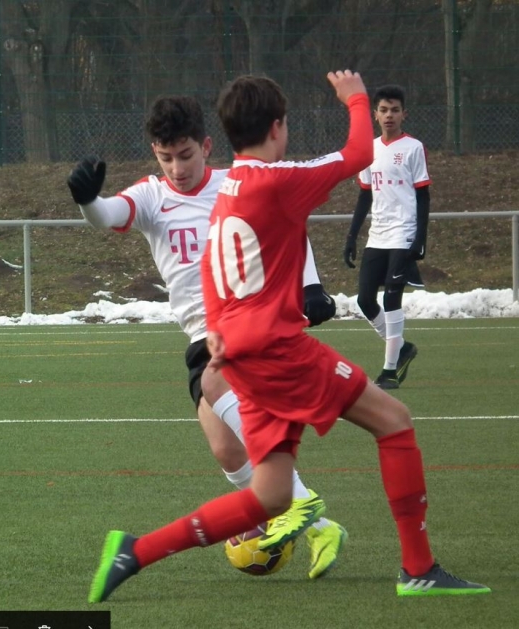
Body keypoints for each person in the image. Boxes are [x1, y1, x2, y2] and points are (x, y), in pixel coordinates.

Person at [88, 71, 489, 602]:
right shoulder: (277, 180)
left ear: (219, 139)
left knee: (271, 495)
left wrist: (221, 330)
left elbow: (208, 268)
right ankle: (417, 568)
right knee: (394, 422)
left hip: (240, 356)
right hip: (278, 351)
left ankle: (136, 551)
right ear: (278, 127)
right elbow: (359, 152)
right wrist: (356, 98)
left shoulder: (227, 189)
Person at [67, 95, 345, 581]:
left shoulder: (237, 183)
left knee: (217, 385)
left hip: (247, 321)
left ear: (207, 146)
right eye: (166, 157)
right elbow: (109, 213)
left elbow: (290, 228)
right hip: (202, 331)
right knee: (226, 449)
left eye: (186, 155)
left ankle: (303, 509)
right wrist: (88, 200)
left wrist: (311, 285)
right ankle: (320, 526)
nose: (177, 168)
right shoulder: (152, 196)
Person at [343, 84, 427, 390]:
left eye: (395, 110)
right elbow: (365, 195)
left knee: (392, 298)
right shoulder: (369, 150)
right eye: (383, 110)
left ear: (404, 114)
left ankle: (389, 371)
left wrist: (420, 239)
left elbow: (423, 196)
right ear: (375, 115)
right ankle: (402, 348)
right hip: (377, 235)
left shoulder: (413, 148)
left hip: (403, 234)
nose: (389, 115)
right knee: (365, 300)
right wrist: (352, 236)